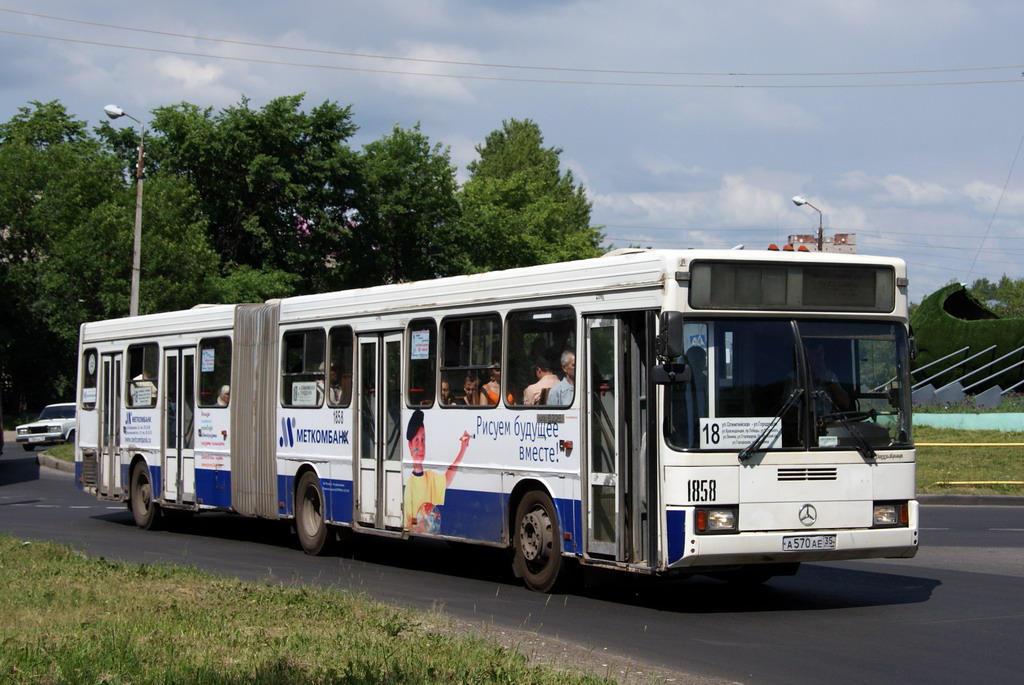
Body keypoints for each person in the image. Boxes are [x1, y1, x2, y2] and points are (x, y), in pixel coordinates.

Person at [403, 409, 471, 533]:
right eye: (416, 440)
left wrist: (462, 450)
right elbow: (409, 521)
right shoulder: (410, 486)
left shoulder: (430, 477)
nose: (421, 446)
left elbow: (447, 479)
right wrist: (419, 526)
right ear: (410, 446)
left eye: (423, 440)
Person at [806, 341, 850, 411]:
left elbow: (845, 404)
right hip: (806, 421)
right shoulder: (795, 378)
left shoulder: (830, 376)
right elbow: (790, 411)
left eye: (821, 354)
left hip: (828, 421)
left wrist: (829, 382)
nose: (819, 357)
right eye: (816, 354)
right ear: (807, 355)